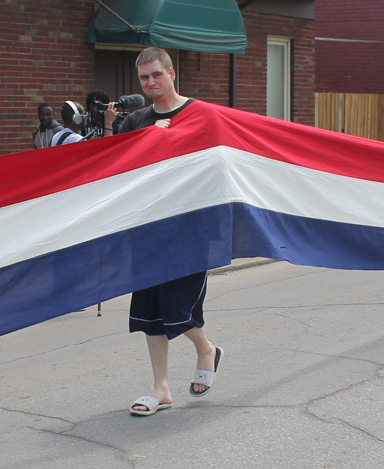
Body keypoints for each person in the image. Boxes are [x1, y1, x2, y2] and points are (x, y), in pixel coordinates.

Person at [120, 47, 223, 417]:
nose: (150, 83)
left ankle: (206, 349)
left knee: (176, 308)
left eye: (156, 75)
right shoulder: (135, 121)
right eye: (144, 78)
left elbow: (218, 164)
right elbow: (119, 168)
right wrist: (147, 137)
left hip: (191, 229)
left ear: (171, 73)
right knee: (149, 312)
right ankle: (161, 389)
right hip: (148, 229)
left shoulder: (202, 114)